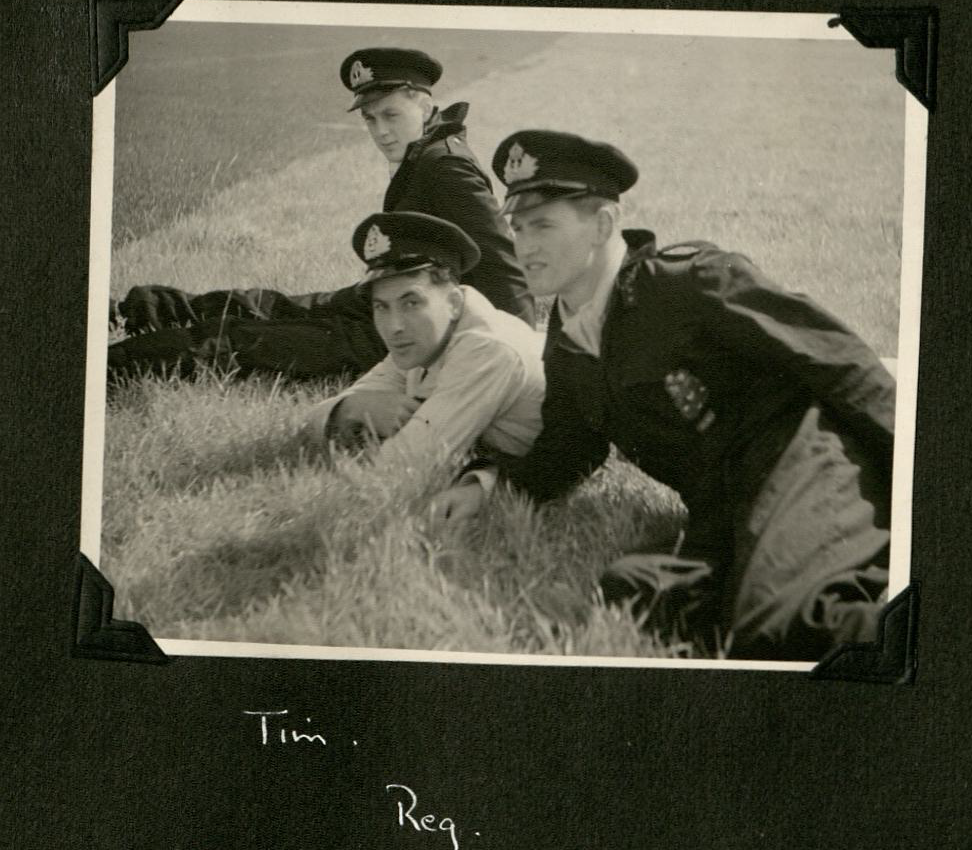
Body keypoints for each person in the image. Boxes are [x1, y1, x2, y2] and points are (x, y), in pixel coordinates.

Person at [432, 130, 896, 660]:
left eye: (544, 224)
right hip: (719, 504)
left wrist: (917, 481)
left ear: (603, 224)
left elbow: (840, 361)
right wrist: (484, 483)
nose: (525, 246)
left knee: (785, 627)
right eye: (517, 227)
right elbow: (569, 447)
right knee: (633, 593)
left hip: (807, 461)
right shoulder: (566, 341)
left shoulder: (689, 282)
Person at [110, 46, 532, 383]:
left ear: (423, 106)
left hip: (409, 331)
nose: (380, 131)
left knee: (238, 340)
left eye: (391, 115)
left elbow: (503, 265)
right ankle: (130, 312)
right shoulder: (429, 151)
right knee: (268, 305)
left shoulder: (446, 166)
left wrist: (514, 357)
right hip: (389, 302)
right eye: (370, 119)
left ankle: (108, 367)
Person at [301, 211, 546, 491]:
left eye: (411, 303)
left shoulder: (486, 350)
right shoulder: (422, 342)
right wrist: (353, 407)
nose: (394, 327)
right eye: (382, 306)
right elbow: (310, 424)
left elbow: (400, 467)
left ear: (453, 302)